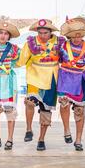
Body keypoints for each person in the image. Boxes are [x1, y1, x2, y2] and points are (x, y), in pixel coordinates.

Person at [16, 19, 65, 151]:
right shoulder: (30, 43)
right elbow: (21, 60)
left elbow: (67, 58)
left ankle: (41, 139)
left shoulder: (60, 43)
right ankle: (29, 129)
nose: (42, 35)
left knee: (46, 110)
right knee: (30, 102)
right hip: (34, 76)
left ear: (51, 32)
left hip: (52, 78)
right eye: (40, 32)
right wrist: (8, 63)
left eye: (45, 33)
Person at [57, 17, 85, 151]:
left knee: (79, 110)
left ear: (83, 34)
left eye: (79, 35)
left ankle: (78, 139)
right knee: (64, 104)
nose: (76, 38)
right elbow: (55, 59)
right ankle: (66, 129)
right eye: (73, 35)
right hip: (65, 77)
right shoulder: (63, 45)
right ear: (69, 34)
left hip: (82, 80)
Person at [0, 22, 21, 150]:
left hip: (8, 81)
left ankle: (10, 138)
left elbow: (21, 60)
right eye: (1, 33)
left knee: (10, 111)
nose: (3, 35)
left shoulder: (14, 49)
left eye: (6, 33)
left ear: (9, 36)